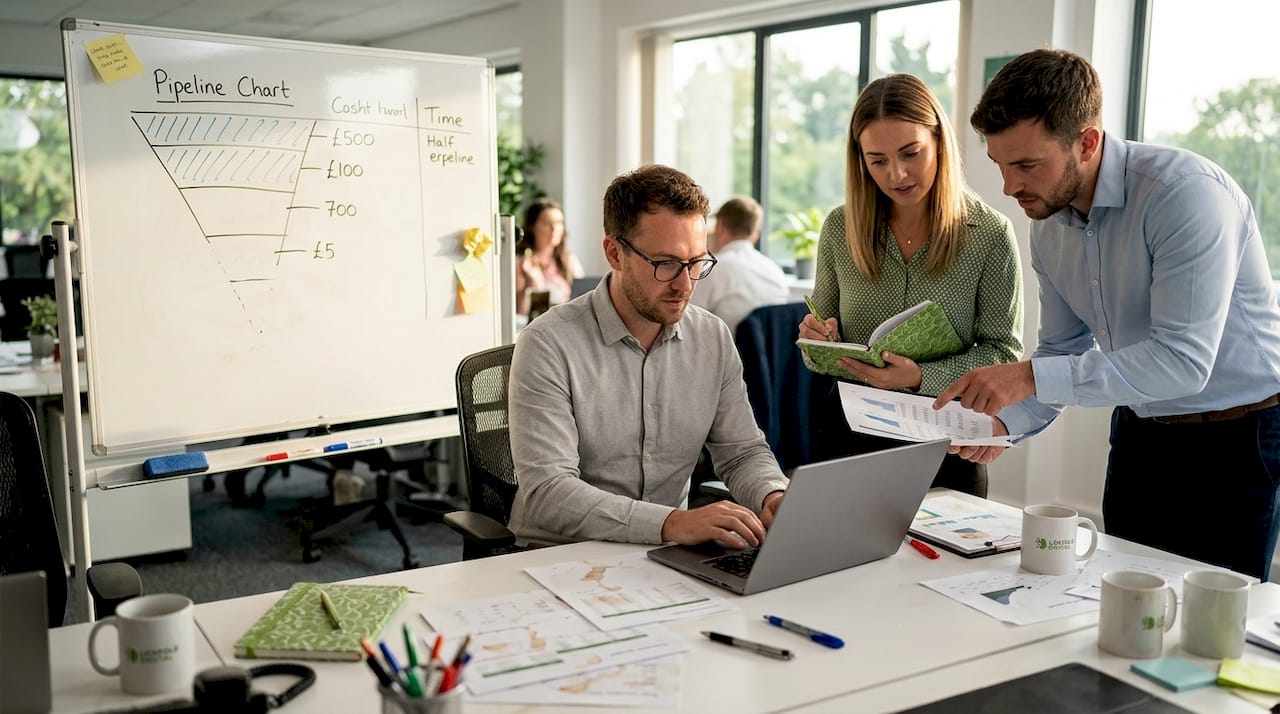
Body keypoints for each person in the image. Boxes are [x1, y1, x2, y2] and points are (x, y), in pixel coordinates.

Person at [937, 49, 1280, 579]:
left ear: (1088, 141)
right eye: (1000, 165)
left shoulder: (1184, 195)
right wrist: (1001, 423)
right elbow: (1061, 354)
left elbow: (1182, 363)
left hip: (1240, 436)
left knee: (1211, 627)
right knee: (1117, 596)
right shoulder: (1047, 222)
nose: (1009, 187)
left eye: (1027, 165)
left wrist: (1024, 377)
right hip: (1140, 432)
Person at [506, 164, 788, 547]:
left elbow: (741, 453)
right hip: (559, 556)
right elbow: (549, 493)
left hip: (665, 557)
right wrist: (672, 523)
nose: (685, 284)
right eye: (666, 263)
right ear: (615, 253)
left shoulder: (712, 337)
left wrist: (773, 494)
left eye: (696, 263)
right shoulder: (548, 343)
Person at [798, 73, 1023, 498]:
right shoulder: (838, 228)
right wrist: (816, 341)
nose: (896, 174)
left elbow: (1003, 354)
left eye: (910, 153)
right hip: (849, 434)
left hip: (947, 440)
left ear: (938, 141)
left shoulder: (990, 234)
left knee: (948, 566)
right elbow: (819, 349)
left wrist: (922, 376)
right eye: (877, 160)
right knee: (844, 562)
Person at [690, 196, 791, 333]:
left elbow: (689, 321)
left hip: (728, 350)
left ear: (720, 226)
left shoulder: (711, 270)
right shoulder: (775, 271)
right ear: (755, 234)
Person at [514, 197, 584, 316]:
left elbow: (584, 299)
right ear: (532, 227)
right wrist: (530, 284)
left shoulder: (568, 260)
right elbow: (520, 313)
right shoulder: (520, 263)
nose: (554, 229)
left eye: (559, 223)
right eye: (547, 223)